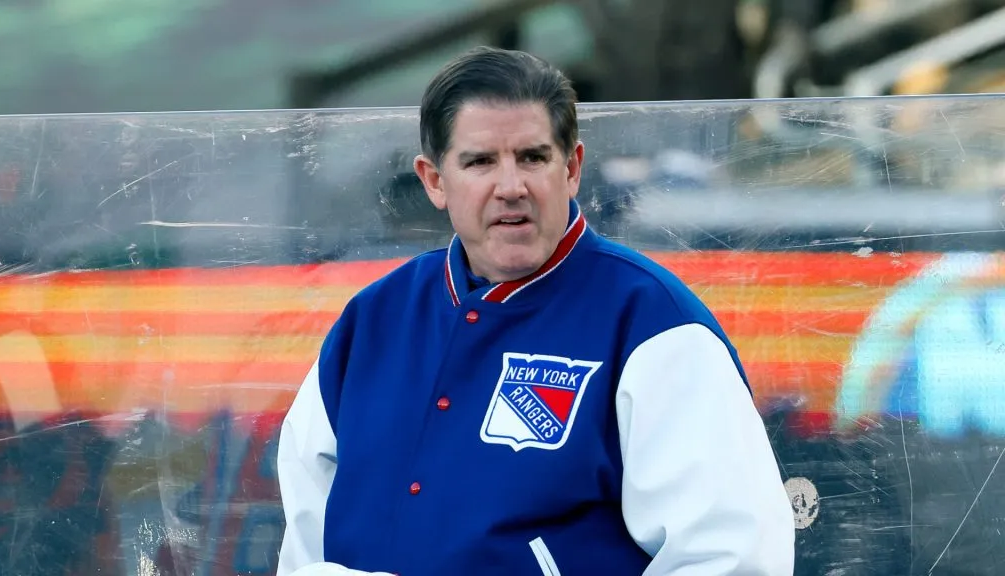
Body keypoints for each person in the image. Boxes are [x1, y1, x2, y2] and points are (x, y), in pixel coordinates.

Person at [276, 46, 795, 576]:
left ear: (571, 168)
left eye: (532, 157)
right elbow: (305, 536)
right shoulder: (373, 319)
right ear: (434, 181)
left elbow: (731, 557)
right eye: (480, 162)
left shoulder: (651, 322)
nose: (511, 187)